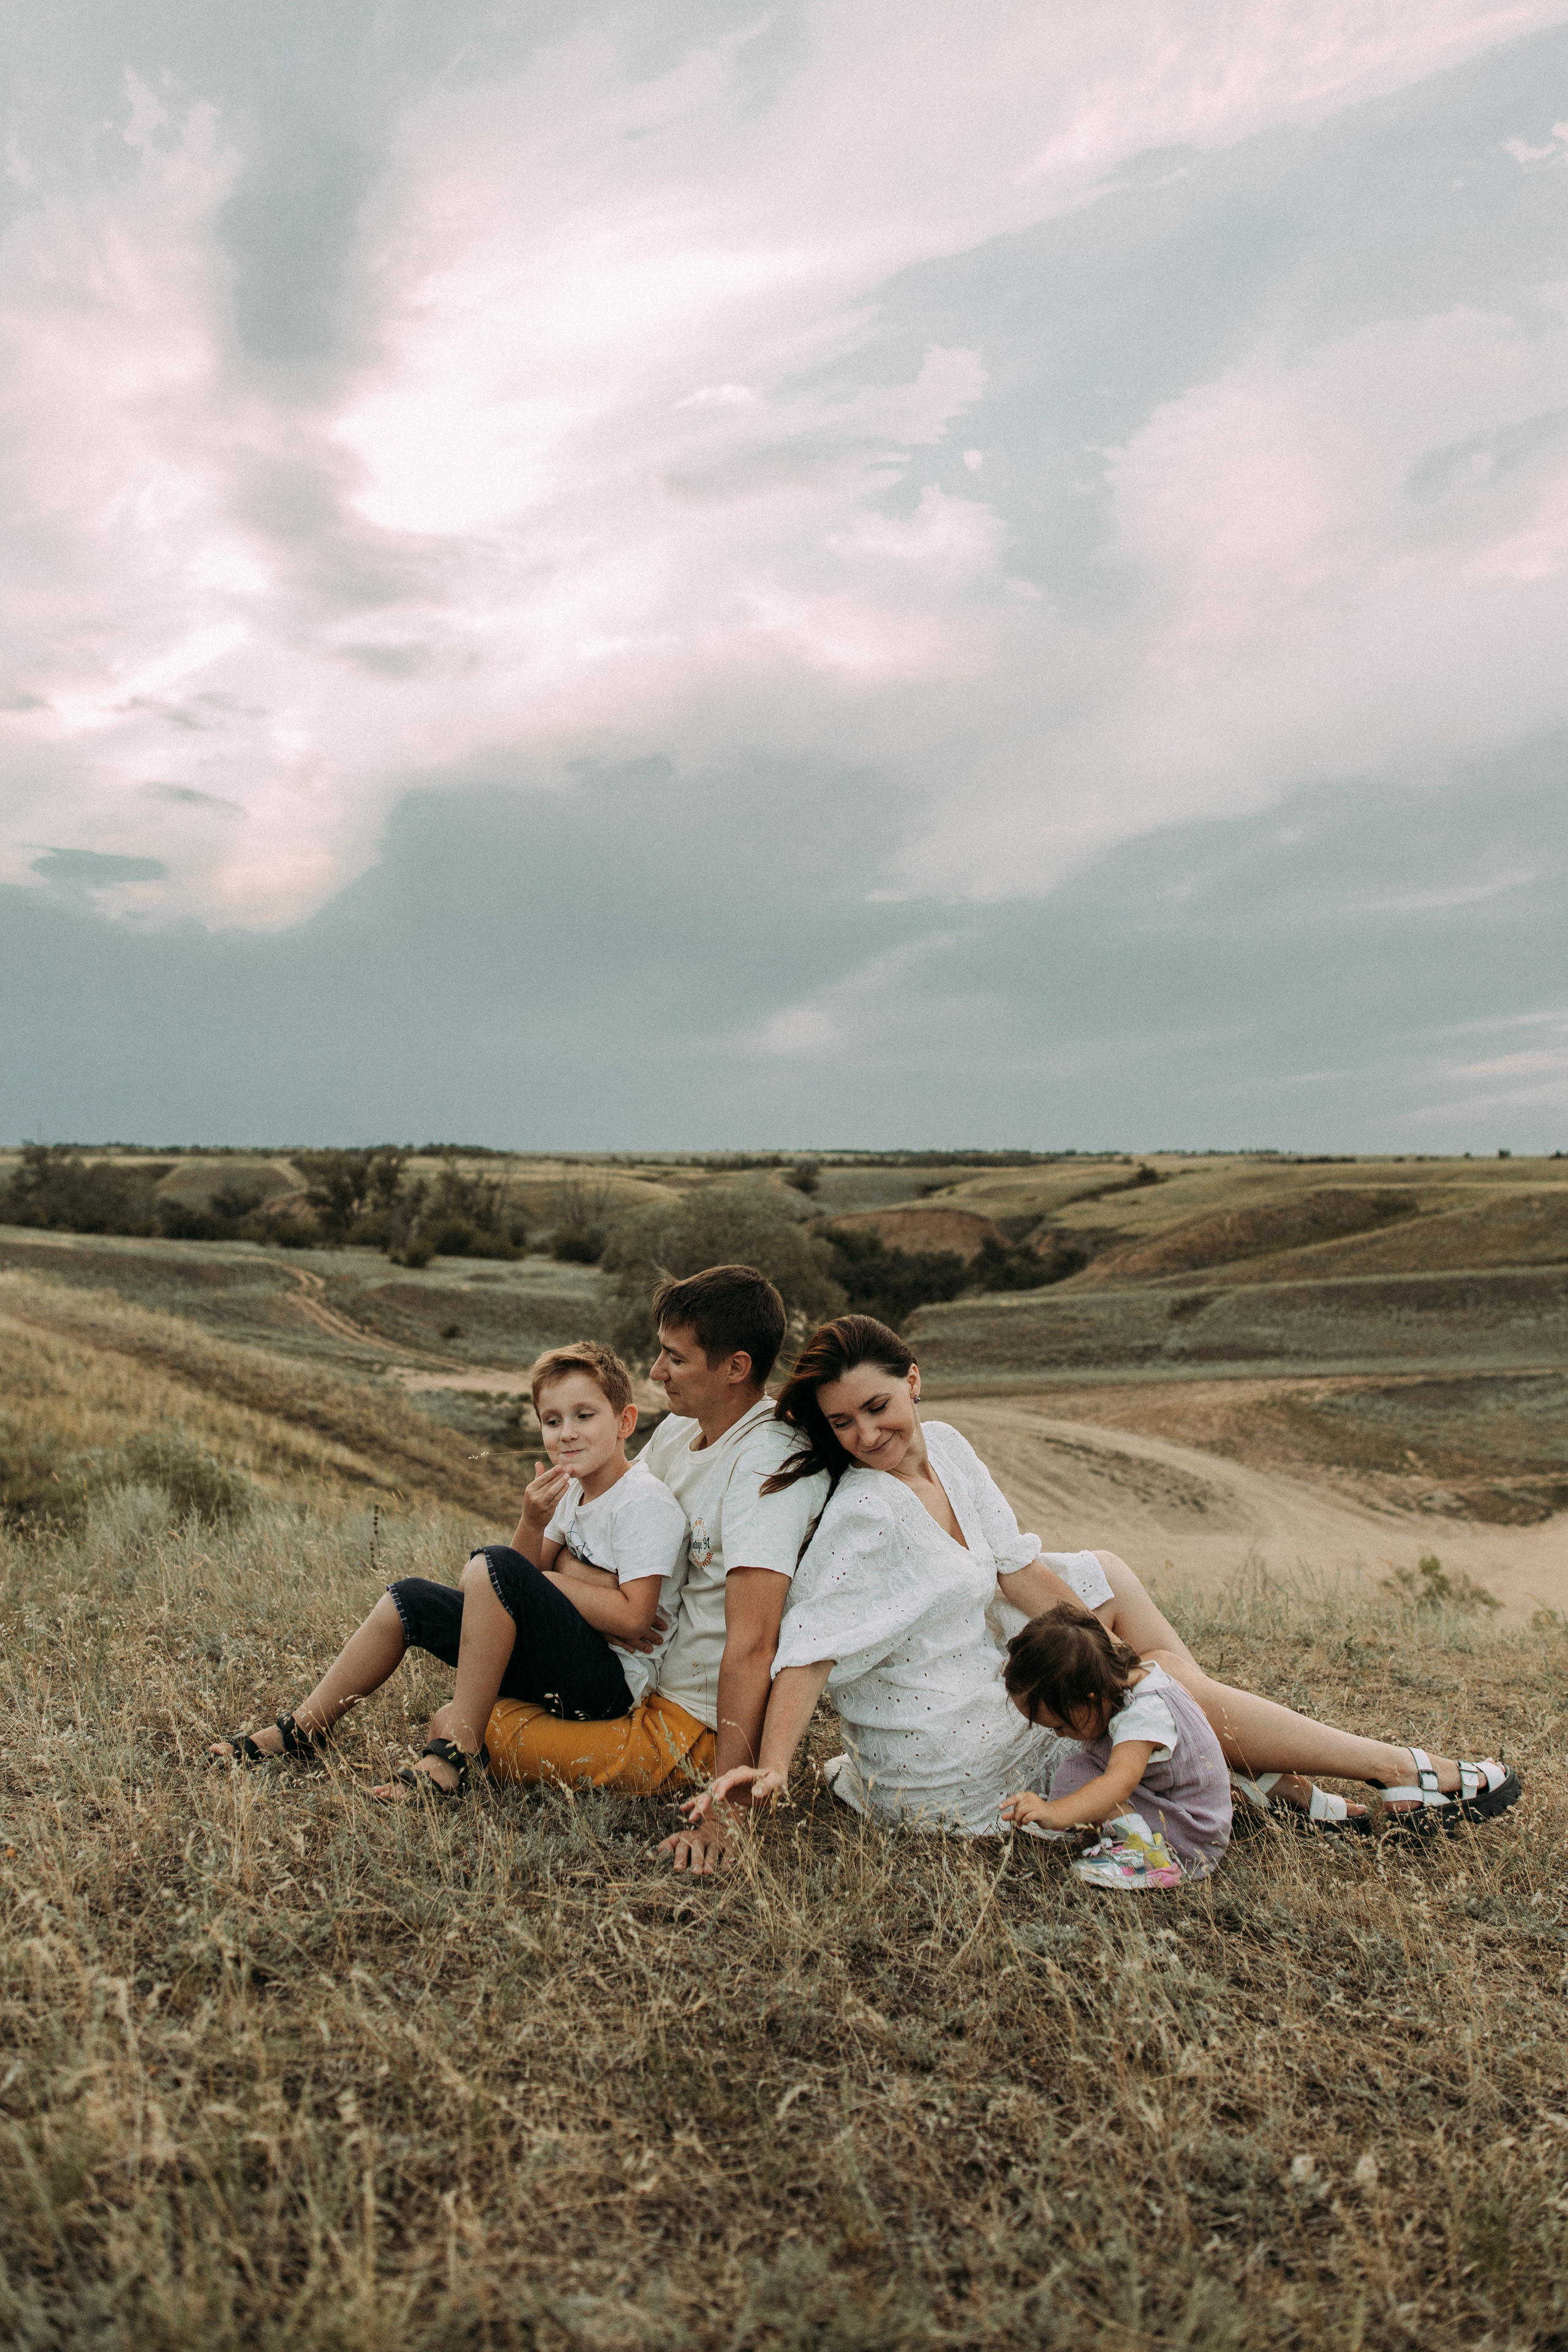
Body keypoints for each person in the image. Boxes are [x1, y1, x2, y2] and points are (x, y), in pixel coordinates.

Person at [682, 1314, 1521, 1863]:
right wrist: (772, 1770)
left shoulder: (949, 1450)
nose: (867, 1435)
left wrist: (1122, 1665)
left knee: (1115, 1599)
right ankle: (1395, 1769)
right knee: (1165, 1688)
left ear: (914, 1380)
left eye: (876, 1407)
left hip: (973, 1679)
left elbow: (1016, 1570)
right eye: (842, 1423)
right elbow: (807, 1654)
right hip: (951, 1754)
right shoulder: (868, 1512)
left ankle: (1241, 1765)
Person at [210, 1341, 686, 1796]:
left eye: (585, 1415)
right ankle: (303, 1731)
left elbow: (632, 1619)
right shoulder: (570, 1489)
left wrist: (550, 1578)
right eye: (552, 1420)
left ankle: (457, 1753)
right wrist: (532, 1521)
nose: (567, 1433)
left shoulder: (642, 1501)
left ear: (625, 1421)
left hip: (608, 1686)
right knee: (411, 1599)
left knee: (493, 1565)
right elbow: (507, 1584)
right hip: (557, 1658)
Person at [477, 1266, 831, 1856]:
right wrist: (584, 1584)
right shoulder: (679, 1430)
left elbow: (753, 1643)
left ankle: (710, 1773)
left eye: (675, 1357)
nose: (655, 1371)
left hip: (688, 1722)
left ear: (735, 1367)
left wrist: (726, 1815)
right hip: (626, 1676)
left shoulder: (768, 1466)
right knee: (474, 1690)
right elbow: (608, 1525)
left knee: (472, 1729)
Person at [997, 1602, 1232, 1891]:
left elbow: (1118, 1784)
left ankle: (1148, 1859)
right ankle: (1093, 1825)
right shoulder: (1124, 1681)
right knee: (1077, 1771)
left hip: (1191, 1835)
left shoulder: (1144, 1714)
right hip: (1166, 1801)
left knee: (1092, 1784)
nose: (1058, 1735)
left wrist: (1056, 1811)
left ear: (1091, 1698)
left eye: (1060, 1725)